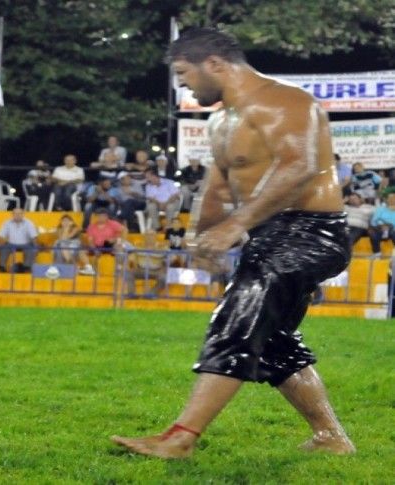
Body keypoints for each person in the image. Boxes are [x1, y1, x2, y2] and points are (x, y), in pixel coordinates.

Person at [111, 28, 355, 458]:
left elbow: (299, 167)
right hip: (269, 235)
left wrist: (235, 225)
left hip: (311, 232)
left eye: (184, 73)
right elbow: (219, 187)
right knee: (272, 339)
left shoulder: (284, 101)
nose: (182, 84)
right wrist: (201, 237)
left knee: (238, 318)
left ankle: (181, 437)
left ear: (215, 64)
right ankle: (330, 437)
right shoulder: (222, 121)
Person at [0, 208, 38, 273]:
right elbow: (1, 236)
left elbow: (34, 237)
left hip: (26, 244)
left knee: (32, 249)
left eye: (20, 213)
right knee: (3, 248)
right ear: (12, 215)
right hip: (10, 244)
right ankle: (2, 267)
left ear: (23, 214)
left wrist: (36, 246)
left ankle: (27, 267)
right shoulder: (7, 223)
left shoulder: (29, 223)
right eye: (15, 214)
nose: (18, 215)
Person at [368, 191, 395, 257]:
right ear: (386, 199)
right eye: (390, 198)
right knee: (372, 232)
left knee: (392, 230)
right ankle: (377, 253)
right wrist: (382, 224)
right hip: (380, 229)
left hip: (392, 230)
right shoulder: (380, 209)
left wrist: (389, 226)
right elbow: (373, 221)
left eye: (393, 198)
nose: (392, 200)